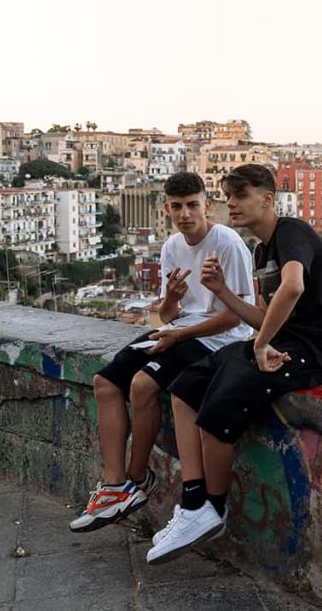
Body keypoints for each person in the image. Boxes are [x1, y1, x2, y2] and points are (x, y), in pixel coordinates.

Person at [145, 163, 322, 564]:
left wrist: (262, 345)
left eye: (240, 195)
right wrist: (222, 292)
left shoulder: (292, 232)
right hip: (279, 342)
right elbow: (262, 316)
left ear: (267, 199)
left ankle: (211, 510)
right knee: (187, 387)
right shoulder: (260, 249)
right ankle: (192, 501)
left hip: (313, 353)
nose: (231, 204)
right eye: (228, 196)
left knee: (220, 406)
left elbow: (293, 287)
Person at [70, 172, 255, 532]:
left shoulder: (228, 243)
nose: (185, 213)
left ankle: (137, 479)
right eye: (177, 207)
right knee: (105, 383)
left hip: (217, 340)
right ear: (167, 208)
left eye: (192, 205)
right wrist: (170, 298)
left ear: (207, 206)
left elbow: (236, 319)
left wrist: (180, 333)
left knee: (142, 385)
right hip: (178, 331)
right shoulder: (172, 247)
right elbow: (168, 314)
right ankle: (113, 485)